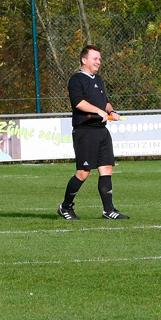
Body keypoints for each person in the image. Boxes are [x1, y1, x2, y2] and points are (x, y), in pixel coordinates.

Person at [58, 45, 128, 221]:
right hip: (85, 131)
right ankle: (65, 207)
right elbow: (78, 103)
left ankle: (109, 210)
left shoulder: (99, 79)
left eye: (99, 59)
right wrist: (99, 111)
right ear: (84, 60)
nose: (98, 61)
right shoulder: (77, 79)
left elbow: (104, 103)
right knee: (84, 172)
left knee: (107, 169)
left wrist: (111, 112)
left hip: (101, 131)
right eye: (95, 58)